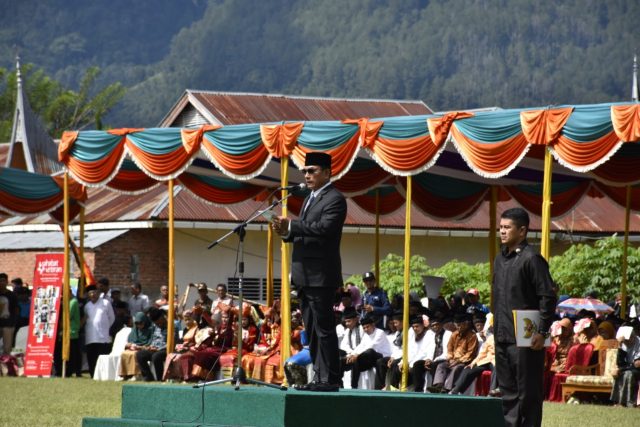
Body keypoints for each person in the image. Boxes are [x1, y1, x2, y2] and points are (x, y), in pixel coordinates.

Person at [272, 151, 347, 392]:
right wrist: (285, 232)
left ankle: (331, 379)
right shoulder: (309, 198)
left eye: (312, 170)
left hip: (321, 274)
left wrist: (292, 225)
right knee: (312, 330)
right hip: (305, 274)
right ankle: (319, 377)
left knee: (324, 329)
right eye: (304, 171)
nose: (307, 175)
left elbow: (324, 229)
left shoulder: (335, 198)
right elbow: (305, 232)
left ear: (327, 172)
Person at [493, 207, 557, 427]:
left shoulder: (532, 258)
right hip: (502, 335)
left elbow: (548, 297)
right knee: (508, 392)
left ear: (522, 231)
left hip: (526, 336)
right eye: (500, 227)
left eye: (507, 227)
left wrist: (542, 332)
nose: (502, 231)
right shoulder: (499, 259)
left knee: (528, 393)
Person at [428, 311, 479, 393]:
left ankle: (447, 388)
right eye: (456, 325)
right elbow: (449, 349)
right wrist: (450, 358)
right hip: (453, 360)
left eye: (460, 325)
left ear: (466, 324)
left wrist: (458, 361)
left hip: (465, 361)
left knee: (457, 368)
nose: (458, 327)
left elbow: (470, 353)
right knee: (441, 365)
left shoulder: (472, 336)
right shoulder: (454, 334)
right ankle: (438, 385)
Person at [341, 314, 391, 389]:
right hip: (370, 357)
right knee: (348, 360)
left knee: (369, 351)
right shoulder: (366, 335)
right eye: (364, 328)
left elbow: (372, 346)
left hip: (382, 356)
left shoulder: (380, 332)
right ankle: (353, 386)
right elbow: (361, 346)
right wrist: (353, 355)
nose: (366, 329)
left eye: (367, 327)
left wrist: (357, 355)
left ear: (373, 325)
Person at [136, 307, 175, 381]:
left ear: (162, 317)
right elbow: (155, 339)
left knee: (156, 356)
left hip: (166, 350)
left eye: (159, 322)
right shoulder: (155, 326)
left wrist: (158, 349)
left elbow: (173, 342)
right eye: (157, 323)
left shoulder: (171, 326)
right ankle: (148, 377)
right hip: (155, 349)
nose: (159, 324)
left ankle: (160, 378)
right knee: (140, 355)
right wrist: (151, 347)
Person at [84, 285, 115, 376]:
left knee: (102, 358)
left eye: (94, 292)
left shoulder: (106, 303)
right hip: (90, 337)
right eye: (90, 293)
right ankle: (93, 375)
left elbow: (112, 318)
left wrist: (105, 327)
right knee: (91, 358)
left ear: (98, 293)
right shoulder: (87, 306)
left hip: (103, 337)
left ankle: (104, 375)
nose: (93, 294)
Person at [610, 325, 640, 407]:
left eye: (629, 339)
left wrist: (622, 369)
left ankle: (628, 402)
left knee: (628, 374)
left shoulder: (638, 343)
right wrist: (620, 345)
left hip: (637, 369)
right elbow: (620, 363)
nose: (627, 342)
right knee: (619, 373)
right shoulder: (623, 344)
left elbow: (636, 364)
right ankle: (618, 401)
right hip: (629, 368)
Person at [0, 273, 18, 354]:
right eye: (0, 281)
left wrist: (13, 322)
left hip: (8, 324)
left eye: (3, 281)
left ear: (7, 282)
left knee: (7, 348)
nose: (1, 283)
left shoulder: (12, 295)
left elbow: (16, 309)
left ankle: (6, 365)